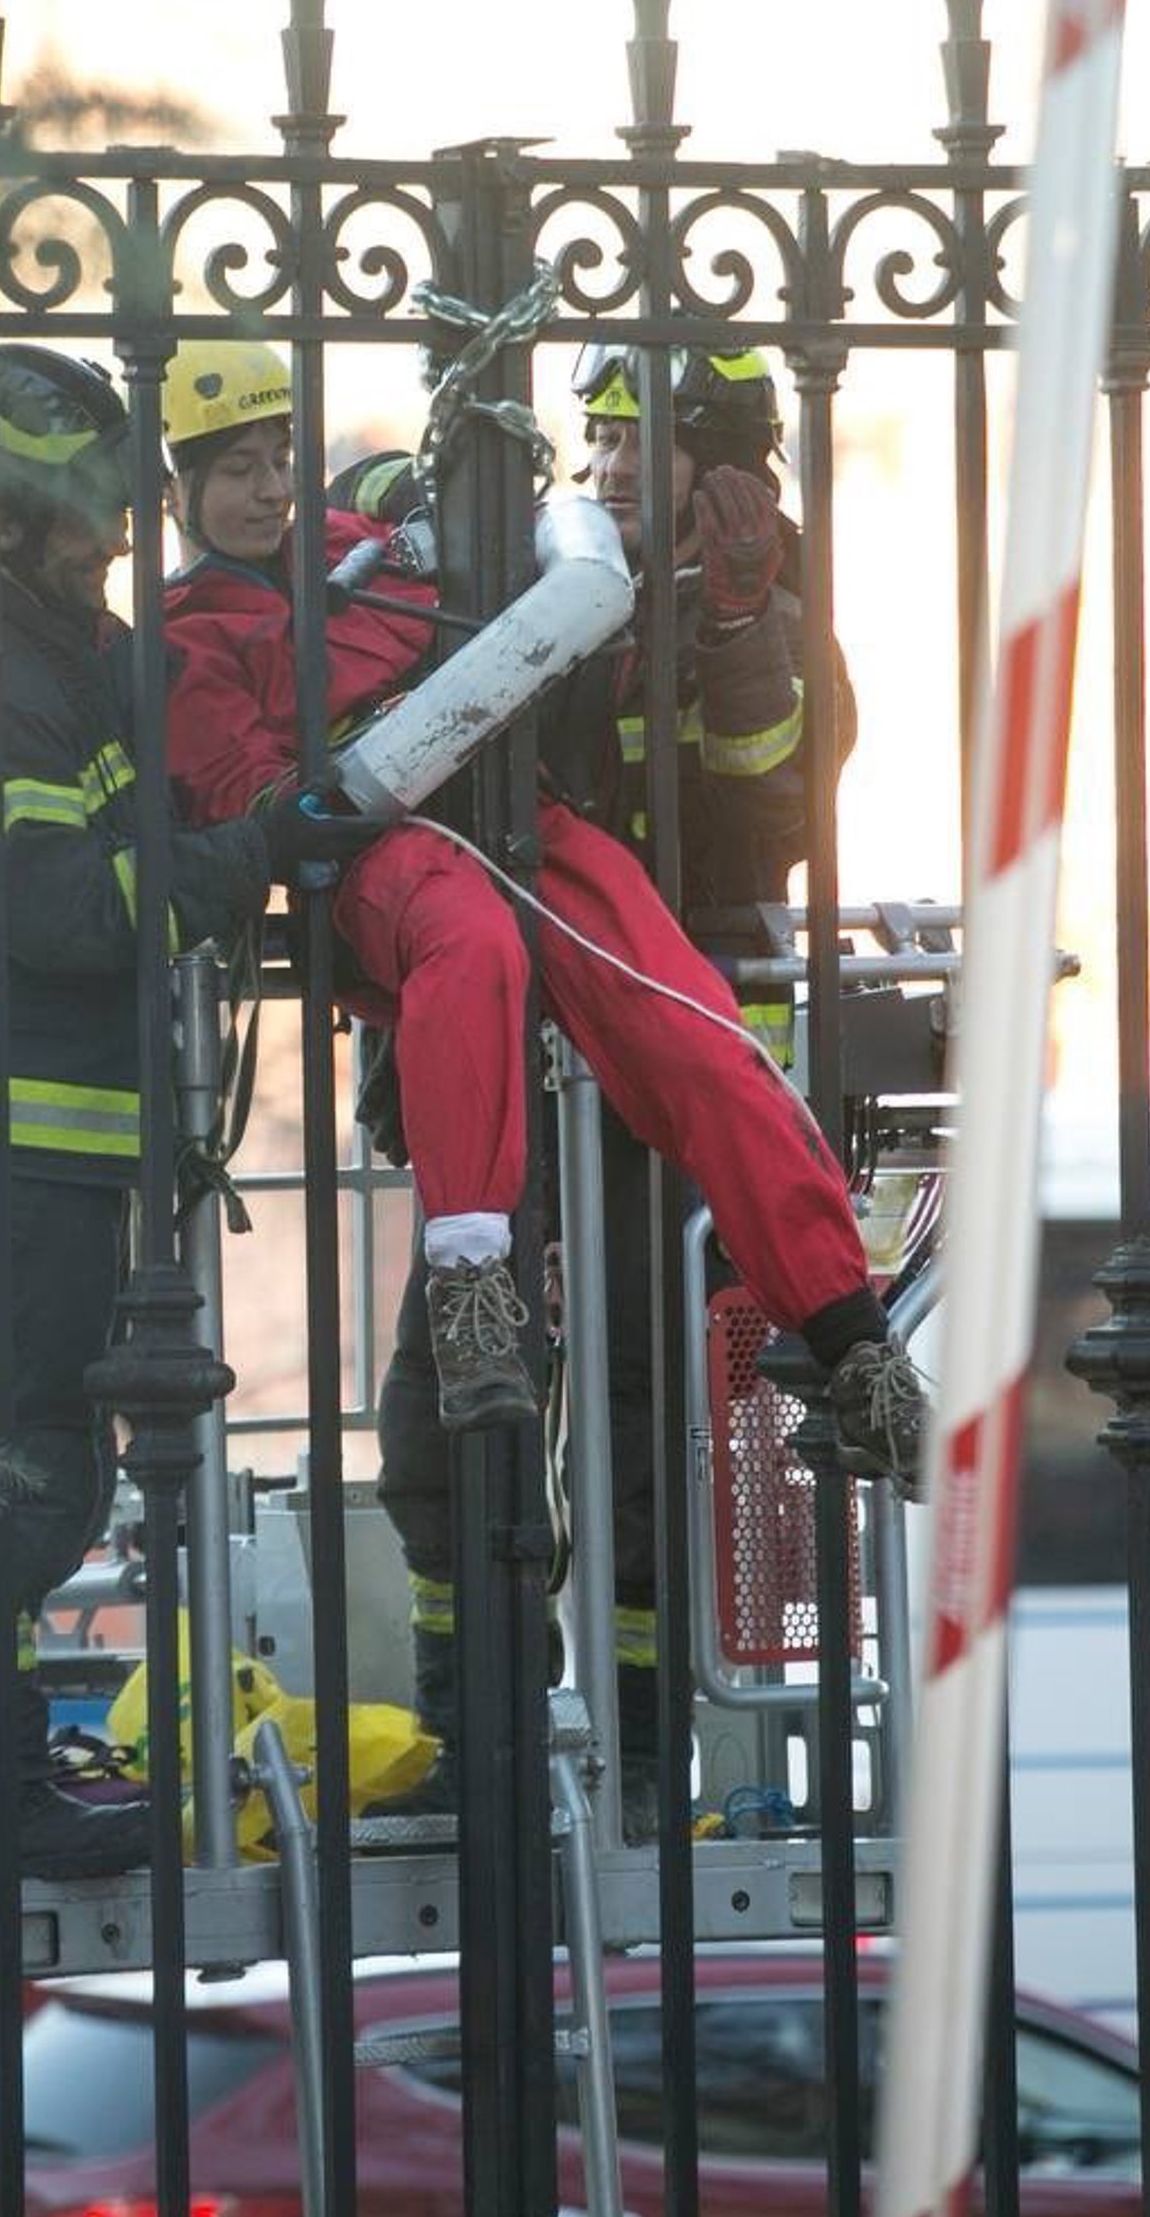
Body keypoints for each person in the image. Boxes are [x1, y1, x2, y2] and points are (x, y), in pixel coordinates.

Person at [159, 335, 921, 1489]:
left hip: (525, 826)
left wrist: (737, 622)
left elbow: (774, 791)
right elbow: (238, 788)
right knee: (466, 940)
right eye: (238, 469)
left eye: (279, 459)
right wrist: (299, 807)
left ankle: (851, 1341)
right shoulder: (199, 629)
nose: (269, 489)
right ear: (176, 488)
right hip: (390, 854)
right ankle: (472, 1290)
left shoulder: (378, 550)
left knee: (688, 1024)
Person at [0, 344, 376, 1882]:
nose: (119, 526)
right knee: (4, 1465)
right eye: (89, 502)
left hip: (57, 1137)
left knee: (47, 1465)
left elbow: (165, 750)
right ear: (14, 513)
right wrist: (257, 848)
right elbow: (67, 911)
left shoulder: (68, 646)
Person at [351, 336, 862, 1826]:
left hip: (659, 1097)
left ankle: (638, 1764)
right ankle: (475, 1743)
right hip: (507, 1067)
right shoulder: (528, 571)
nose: (618, 462)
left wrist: (738, 624)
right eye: (604, 432)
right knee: (448, 1406)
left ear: (732, 462)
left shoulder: (775, 613)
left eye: (652, 435)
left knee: (643, 1436)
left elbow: (770, 811)